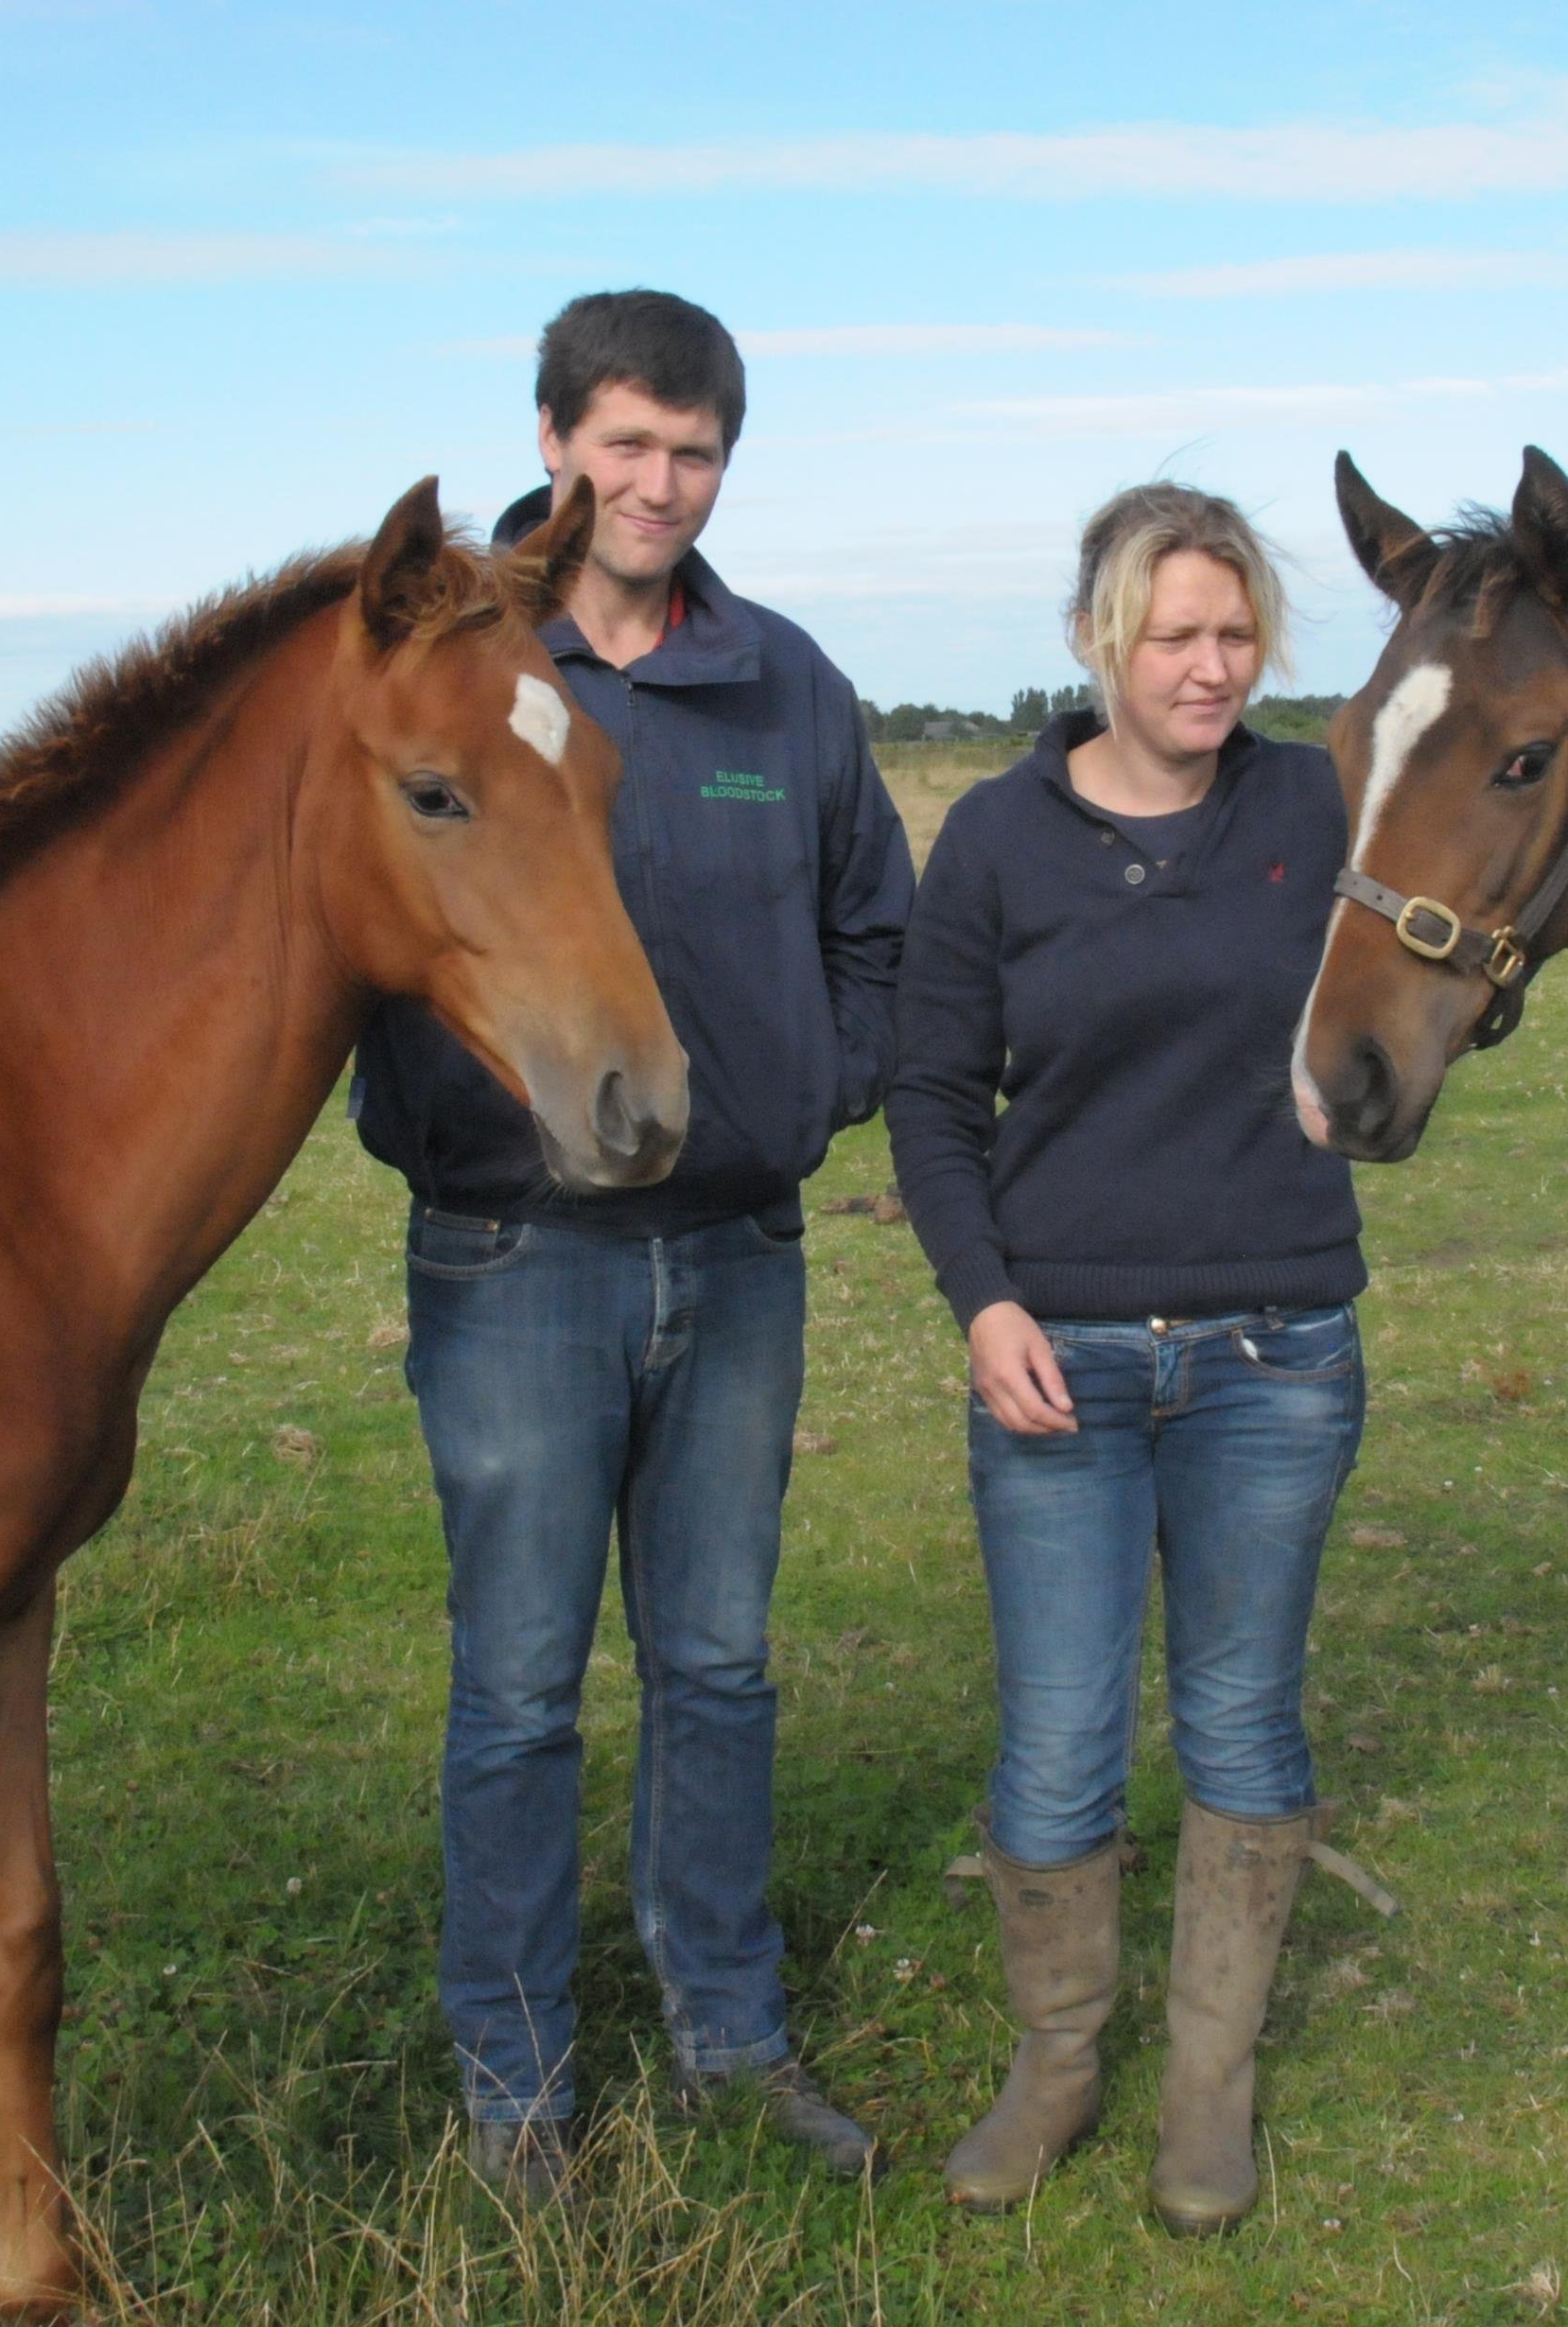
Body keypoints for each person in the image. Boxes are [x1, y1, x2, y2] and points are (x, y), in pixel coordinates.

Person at [352, 289, 915, 2196]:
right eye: (625, 445)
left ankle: (730, 2027)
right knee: (518, 1681)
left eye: (693, 452)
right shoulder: (463, 670)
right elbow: (372, 913)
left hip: (739, 1249)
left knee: (719, 1663)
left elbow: (873, 926)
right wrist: (460, 1122)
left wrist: (805, 1098)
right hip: (523, 1260)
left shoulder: (782, 685)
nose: (659, 483)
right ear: (550, 441)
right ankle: (517, 2086)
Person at [888, 481, 1372, 2234]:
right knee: (1057, 1740)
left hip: (1277, 1349)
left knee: (1241, 1719)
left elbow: (1432, 962)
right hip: (1059, 1362)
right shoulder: (998, 841)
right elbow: (934, 1098)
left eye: (1237, 633)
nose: (1212, 666)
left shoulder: (1315, 802)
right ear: (1101, 637)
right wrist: (987, 1302)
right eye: (1176, 633)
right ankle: (1059, 2062)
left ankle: (1208, 2089)